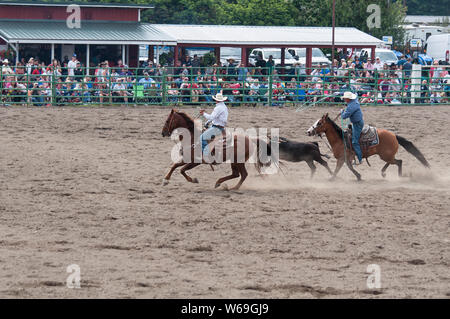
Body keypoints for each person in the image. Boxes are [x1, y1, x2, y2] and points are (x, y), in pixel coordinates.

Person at [198, 92, 229, 158]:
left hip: (217, 128)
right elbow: (215, 117)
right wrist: (207, 122)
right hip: (220, 127)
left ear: (216, 100)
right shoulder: (224, 107)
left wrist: (203, 113)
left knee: (201, 138)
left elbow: (211, 117)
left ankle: (207, 154)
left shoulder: (218, 108)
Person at [340, 91, 364, 165]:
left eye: (345, 98)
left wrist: (342, 112)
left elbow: (344, 116)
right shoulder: (354, 102)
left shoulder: (351, 106)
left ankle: (360, 159)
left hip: (357, 124)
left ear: (348, 99)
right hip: (357, 122)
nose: (344, 100)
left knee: (354, 141)